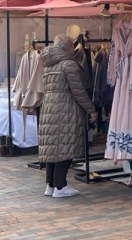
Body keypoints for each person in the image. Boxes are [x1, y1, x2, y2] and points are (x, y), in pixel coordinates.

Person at [39, 34, 96, 198]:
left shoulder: (49, 64)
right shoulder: (69, 64)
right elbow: (78, 91)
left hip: (49, 108)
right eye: (72, 45)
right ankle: (60, 186)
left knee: (53, 148)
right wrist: (90, 109)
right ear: (68, 47)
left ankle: (50, 185)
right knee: (65, 146)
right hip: (65, 109)